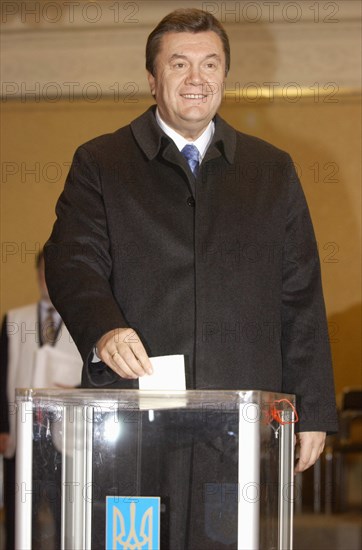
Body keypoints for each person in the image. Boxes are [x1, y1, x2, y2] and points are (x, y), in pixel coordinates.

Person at [44, 8, 338, 480]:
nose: (196, 78)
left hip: (241, 425)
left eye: (210, 64)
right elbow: (73, 262)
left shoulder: (271, 169)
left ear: (225, 75)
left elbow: (299, 293)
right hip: (135, 421)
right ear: (152, 79)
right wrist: (104, 329)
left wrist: (315, 410)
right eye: (178, 64)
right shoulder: (101, 162)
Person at [0, 250, 83, 550]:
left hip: (66, 436)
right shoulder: (13, 320)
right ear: (36, 274)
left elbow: (96, 374)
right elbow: (1, 375)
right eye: (42, 272)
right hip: (21, 434)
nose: (47, 279)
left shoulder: (84, 321)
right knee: (20, 512)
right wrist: (2, 427)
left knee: (65, 513)